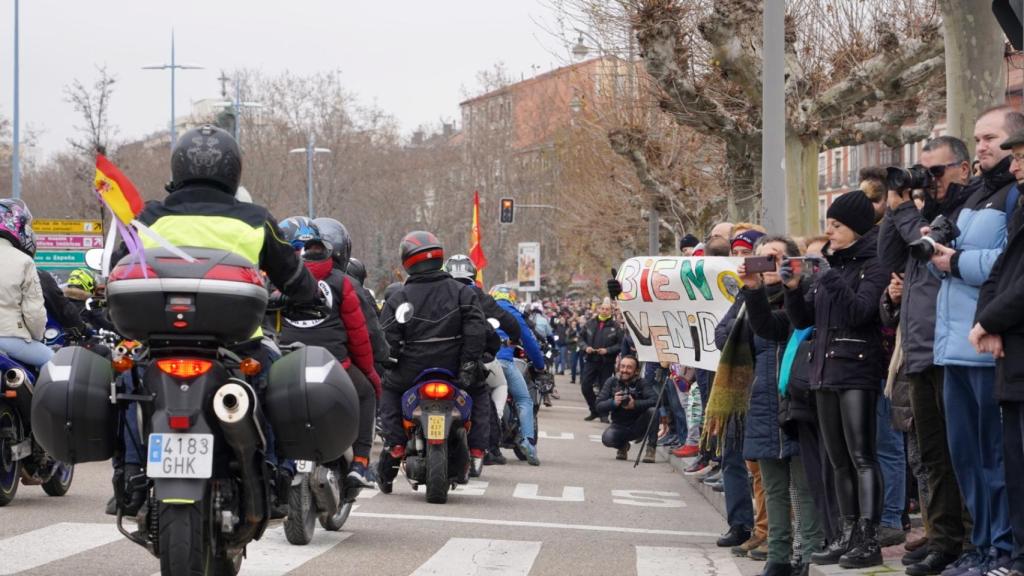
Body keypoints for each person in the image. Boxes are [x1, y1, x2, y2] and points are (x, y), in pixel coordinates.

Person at [113, 124, 320, 507]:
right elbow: (294, 277)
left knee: (129, 387)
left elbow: (117, 269)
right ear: (233, 170)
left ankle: (129, 474)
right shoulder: (255, 219)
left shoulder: (147, 217)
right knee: (277, 384)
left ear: (178, 167)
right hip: (239, 344)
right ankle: (275, 475)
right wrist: (311, 298)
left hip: (159, 343)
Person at [878, 135, 973, 576]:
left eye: (936, 172)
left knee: (959, 454)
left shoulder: (960, 215)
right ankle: (940, 536)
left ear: (963, 169)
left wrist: (901, 209)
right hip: (917, 348)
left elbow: (924, 243)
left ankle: (965, 540)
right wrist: (895, 205)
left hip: (950, 350)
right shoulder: (919, 215)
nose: (927, 180)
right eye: (924, 171)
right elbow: (888, 260)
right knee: (930, 456)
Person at [931, 107, 1019, 576]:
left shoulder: (1013, 198)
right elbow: (943, 260)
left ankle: (1002, 551)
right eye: (978, 138)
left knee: (995, 462)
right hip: (953, 349)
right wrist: (935, 253)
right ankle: (981, 545)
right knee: (966, 460)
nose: (981, 146)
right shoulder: (969, 198)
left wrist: (958, 261)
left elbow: (1009, 266)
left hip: (989, 349)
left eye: (991, 138)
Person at [782, 189, 889, 569]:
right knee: (837, 458)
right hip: (823, 371)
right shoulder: (831, 265)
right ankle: (845, 533)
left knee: (862, 456)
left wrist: (827, 276)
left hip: (857, 368)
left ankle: (867, 536)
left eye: (838, 225)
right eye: (829, 224)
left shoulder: (873, 264)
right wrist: (793, 289)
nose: (830, 231)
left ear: (857, 228)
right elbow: (803, 320)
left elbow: (861, 312)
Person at [737, 234, 824, 576]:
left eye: (773, 257)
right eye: (761, 258)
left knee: (803, 484)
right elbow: (759, 329)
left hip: (798, 399)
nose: (767, 264)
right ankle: (778, 555)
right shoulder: (750, 297)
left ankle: (809, 552)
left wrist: (789, 287)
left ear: (792, 261)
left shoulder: (804, 294)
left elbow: (785, 326)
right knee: (773, 486)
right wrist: (752, 289)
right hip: (763, 399)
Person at [376, 231, 489, 492]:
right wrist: (470, 362)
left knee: (389, 390)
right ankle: (477, 449)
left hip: (410, 371)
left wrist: (389, 360)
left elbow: (387, 338)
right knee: (480, 392)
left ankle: (394, 445)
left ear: (407, 260)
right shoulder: (463, 292)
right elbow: (476, 329)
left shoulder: (399, 298)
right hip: (455, 369)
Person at [277, 217, 381, 490]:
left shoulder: (277, 279)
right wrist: (369, 372)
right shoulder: (342, 282)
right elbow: (359, 335)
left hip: (287, 362)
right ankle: (360, 463)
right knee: (367, 392)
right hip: (335, 364)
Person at [970, 128, 1024, 576]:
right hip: (1012, 362)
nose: (1015, 165)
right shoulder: (1020, 212)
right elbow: (1001, 273)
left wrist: (991, 321)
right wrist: (984, 319)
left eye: (1022, 156)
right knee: (1013, 464)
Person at [442, 255, 523, 469]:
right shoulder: (478, 296)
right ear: (472, 274)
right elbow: (510, 322)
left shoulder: (438, 293)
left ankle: (396, 447)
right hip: (474, 361)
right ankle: (488, 448)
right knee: (492, 390)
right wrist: (513, 337)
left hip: (437, 359)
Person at [490, 285, 544, 466]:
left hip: (481, 363)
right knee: (524, 400)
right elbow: (529, 342)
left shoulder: (482, 308)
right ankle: (528, 443)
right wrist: (540, 366)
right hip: (504, 363)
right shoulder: (512, 313)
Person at [0, 199, 52, 368]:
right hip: (8, 337)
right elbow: (34, 312)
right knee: (54, 364)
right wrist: (37, 337)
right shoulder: (24, 261)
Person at [595, 355, 657, 463]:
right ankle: (622, 446)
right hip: (619, 425)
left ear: (636, 371)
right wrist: (614, 403)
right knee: (607, 439)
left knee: (653, 410)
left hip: (639, 425)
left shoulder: (642, 383)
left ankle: (651, 449)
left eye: (629, 367)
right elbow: (599, 405)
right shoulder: (612, 382)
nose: (625, 370)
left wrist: (635, 404)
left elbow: (655, 400)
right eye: (622, 366)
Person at [580, 298, 622, 421]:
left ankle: (604, 414)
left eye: (607, 309)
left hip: (606, 362)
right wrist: (585, 347)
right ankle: (594, 410)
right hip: (591, 360)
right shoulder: (590, 323)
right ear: (599, 309)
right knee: (585, 386)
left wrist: (607, 350)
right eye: (602, 308)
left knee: (605, 388)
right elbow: (580, 339)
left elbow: (620, 345)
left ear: (611, 311)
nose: (604, 311)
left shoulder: (616, 326)